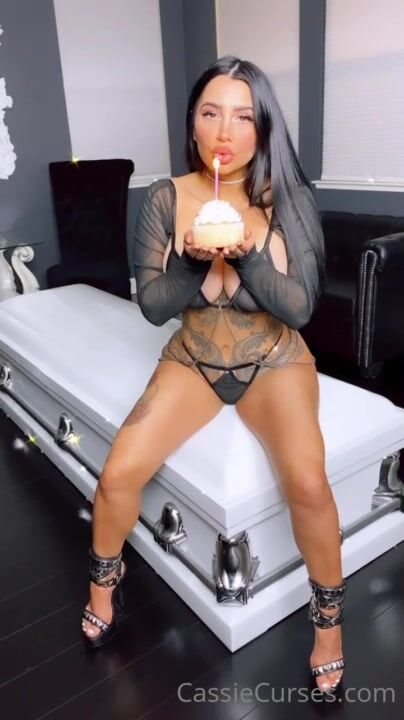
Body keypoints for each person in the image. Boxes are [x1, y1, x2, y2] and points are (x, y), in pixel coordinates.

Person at [81, 56, 346, 695]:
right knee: (117, 473)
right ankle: (103, 584)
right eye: (210, 113)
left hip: (273, 361)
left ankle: (329, 626)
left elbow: (300, 308)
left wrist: (247, 255)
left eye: (243, 116)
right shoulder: (165, 197)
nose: (224, 131)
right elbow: (152, 306)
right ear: (193, 123)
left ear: (263, 127)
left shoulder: (289, 199)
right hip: (193, 360)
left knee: (308, 483)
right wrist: (195, 264)